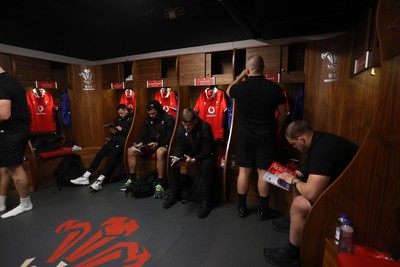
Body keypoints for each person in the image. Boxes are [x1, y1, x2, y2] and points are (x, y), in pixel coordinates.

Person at [262, 120, 358, 265]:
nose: (295, 147)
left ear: (301, 139)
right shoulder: (320, 139)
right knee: (298, 181)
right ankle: (294, 223)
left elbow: (312, 194)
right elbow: (312, 164)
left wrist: (292, 180)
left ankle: (292, 254)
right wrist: (296, 174)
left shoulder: (323, 151)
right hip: (344, 187)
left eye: (294, 144)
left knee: (299, 204)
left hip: (352, 198)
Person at [226, 55, 287, 220]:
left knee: (244, 171)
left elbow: (228, 90)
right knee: (263, 171)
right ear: (264, 68)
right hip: (266, 135)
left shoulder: (240, 88)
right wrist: (274, 127)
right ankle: (263, 210)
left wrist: (240, 76)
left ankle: (242, 208)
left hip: (245, 135)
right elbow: (282, 116)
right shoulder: (275, 89)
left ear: (248, 69)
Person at [162, 108, 216, 218]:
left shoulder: (205, 127)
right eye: (184, 124)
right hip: (190, 153)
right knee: (173, 162)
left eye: (189, 125)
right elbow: (180, 147)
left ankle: (206, 201)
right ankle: (174, 193)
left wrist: (194, 160)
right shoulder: (181, 128)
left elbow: (207, 150)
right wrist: (177, 156)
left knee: (206, 166)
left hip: (205, 154)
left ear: (195, 121)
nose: (187, 127)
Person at [119, 100, 175, 198]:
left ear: (158, 110)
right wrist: (141, 143)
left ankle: (160, 183)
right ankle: (132, 179)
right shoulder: (148, 119)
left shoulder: (168, 118)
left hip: (163, 144)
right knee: (130, 150)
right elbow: (144, 133)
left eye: (153, 113)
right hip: (150, 144)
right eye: (149, 114)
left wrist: (158, 143)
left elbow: (170, 137)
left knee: (160, 152)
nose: (151, 116)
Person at [70, 104, 133, 191]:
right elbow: (117, 130)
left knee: (111, 156)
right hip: (114, 139)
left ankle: (100, 181)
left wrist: (122, 129)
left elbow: (132, 134)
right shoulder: (119, 118)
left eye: (121, 113)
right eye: (119, 114)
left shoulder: (132, 118)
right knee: (100, 153)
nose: (120, 115)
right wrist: (113, 131)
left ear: (126, 110)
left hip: (123, 142)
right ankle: (86, 176)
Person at [0, 66, 33, 218]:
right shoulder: (13, 81)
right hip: (18, 130)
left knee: (15, 168)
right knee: (5, 167)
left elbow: (4, 114)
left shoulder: (2, 83)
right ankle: (1, 202)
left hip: (11, 132)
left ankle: (25, 203)